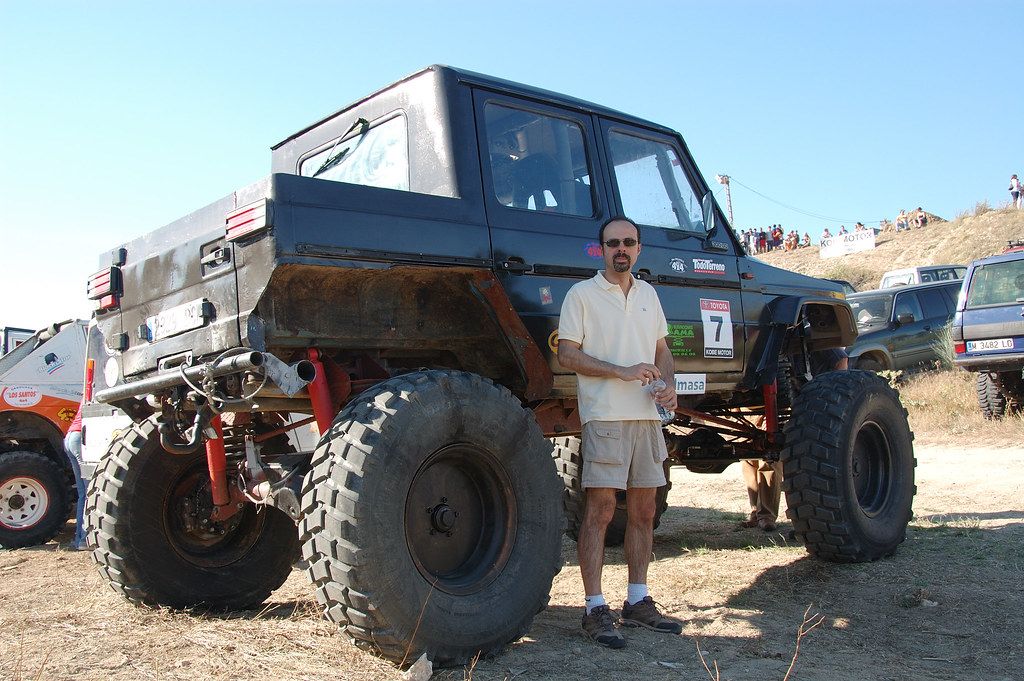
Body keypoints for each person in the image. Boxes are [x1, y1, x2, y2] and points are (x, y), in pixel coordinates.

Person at [557, 216, 682, 649]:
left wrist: (669, 387)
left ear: (639, 248)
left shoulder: (649, 295)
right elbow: (567, 353)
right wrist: (620, 371)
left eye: (629, 242)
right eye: (613, 244)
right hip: (606, 416)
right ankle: (594, 607)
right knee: (601, 510)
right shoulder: (582, 295)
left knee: (645, 511)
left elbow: (661, 351)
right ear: (601, 249)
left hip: (648, 418)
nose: (621, 249)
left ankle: (638, 600)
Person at [741, 349, 849, 532]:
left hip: (793, 404)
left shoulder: (808, 339)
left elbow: (841, 361)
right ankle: (756, 511)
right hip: (757, 400)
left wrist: (830, 394)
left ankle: (766, 515)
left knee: (770, 460)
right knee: (748, 458)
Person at [62, 402, 88, 550]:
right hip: (82, 437)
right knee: (90, 492)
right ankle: (84, 538)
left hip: (71, 436)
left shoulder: (88, 390)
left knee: (83, 494)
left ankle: (79, 539)